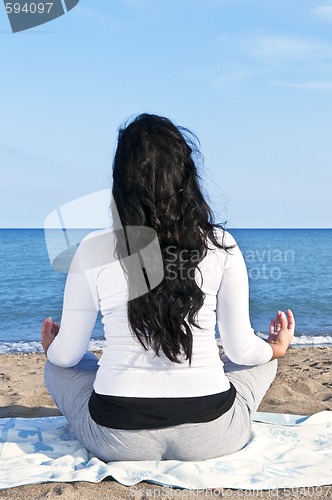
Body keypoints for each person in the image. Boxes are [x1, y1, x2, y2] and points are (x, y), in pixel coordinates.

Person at [41, 113, 295, 462]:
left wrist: (51, 347)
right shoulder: (220, 245)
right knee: (261, 360)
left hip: (117, 438)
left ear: (121, 182)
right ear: (186, 177)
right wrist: (276, 348)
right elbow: (240, 352)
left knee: (59, 366)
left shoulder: (92, 248)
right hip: (212, 435)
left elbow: (67, 355)